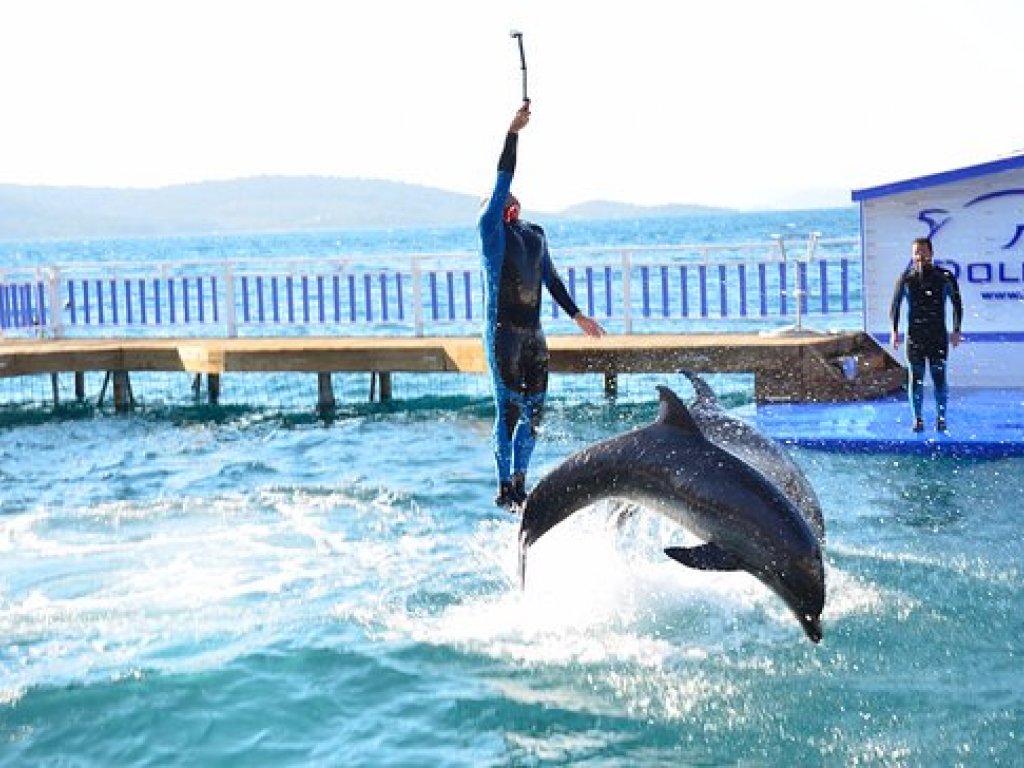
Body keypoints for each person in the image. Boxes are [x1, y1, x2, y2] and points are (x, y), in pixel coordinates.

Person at [478, 102, 606, 510]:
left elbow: (550, 278)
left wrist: (577, 315)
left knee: (534, 411)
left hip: (533, 336)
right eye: (499, 197)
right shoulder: (491, 232)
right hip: (502, 335)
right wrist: (512, 133)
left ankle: (520, 479)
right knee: (510, 410)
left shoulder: (534, 234)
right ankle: (503, 485)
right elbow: (503, 177)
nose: (504, 197)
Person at [890, 236, 963, 432]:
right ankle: (918, 419)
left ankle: (941, 418)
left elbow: (957, 304)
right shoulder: (906, 279)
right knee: (915, 378)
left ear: (931, 253)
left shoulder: (945, 277)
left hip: (938, 336)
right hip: (915, 337)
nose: (920, 255)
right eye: (916, 252)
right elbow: (895, 306)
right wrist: (894, 331)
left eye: (923, 251)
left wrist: (956, 330)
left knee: (939, 377)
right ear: (912, 255)